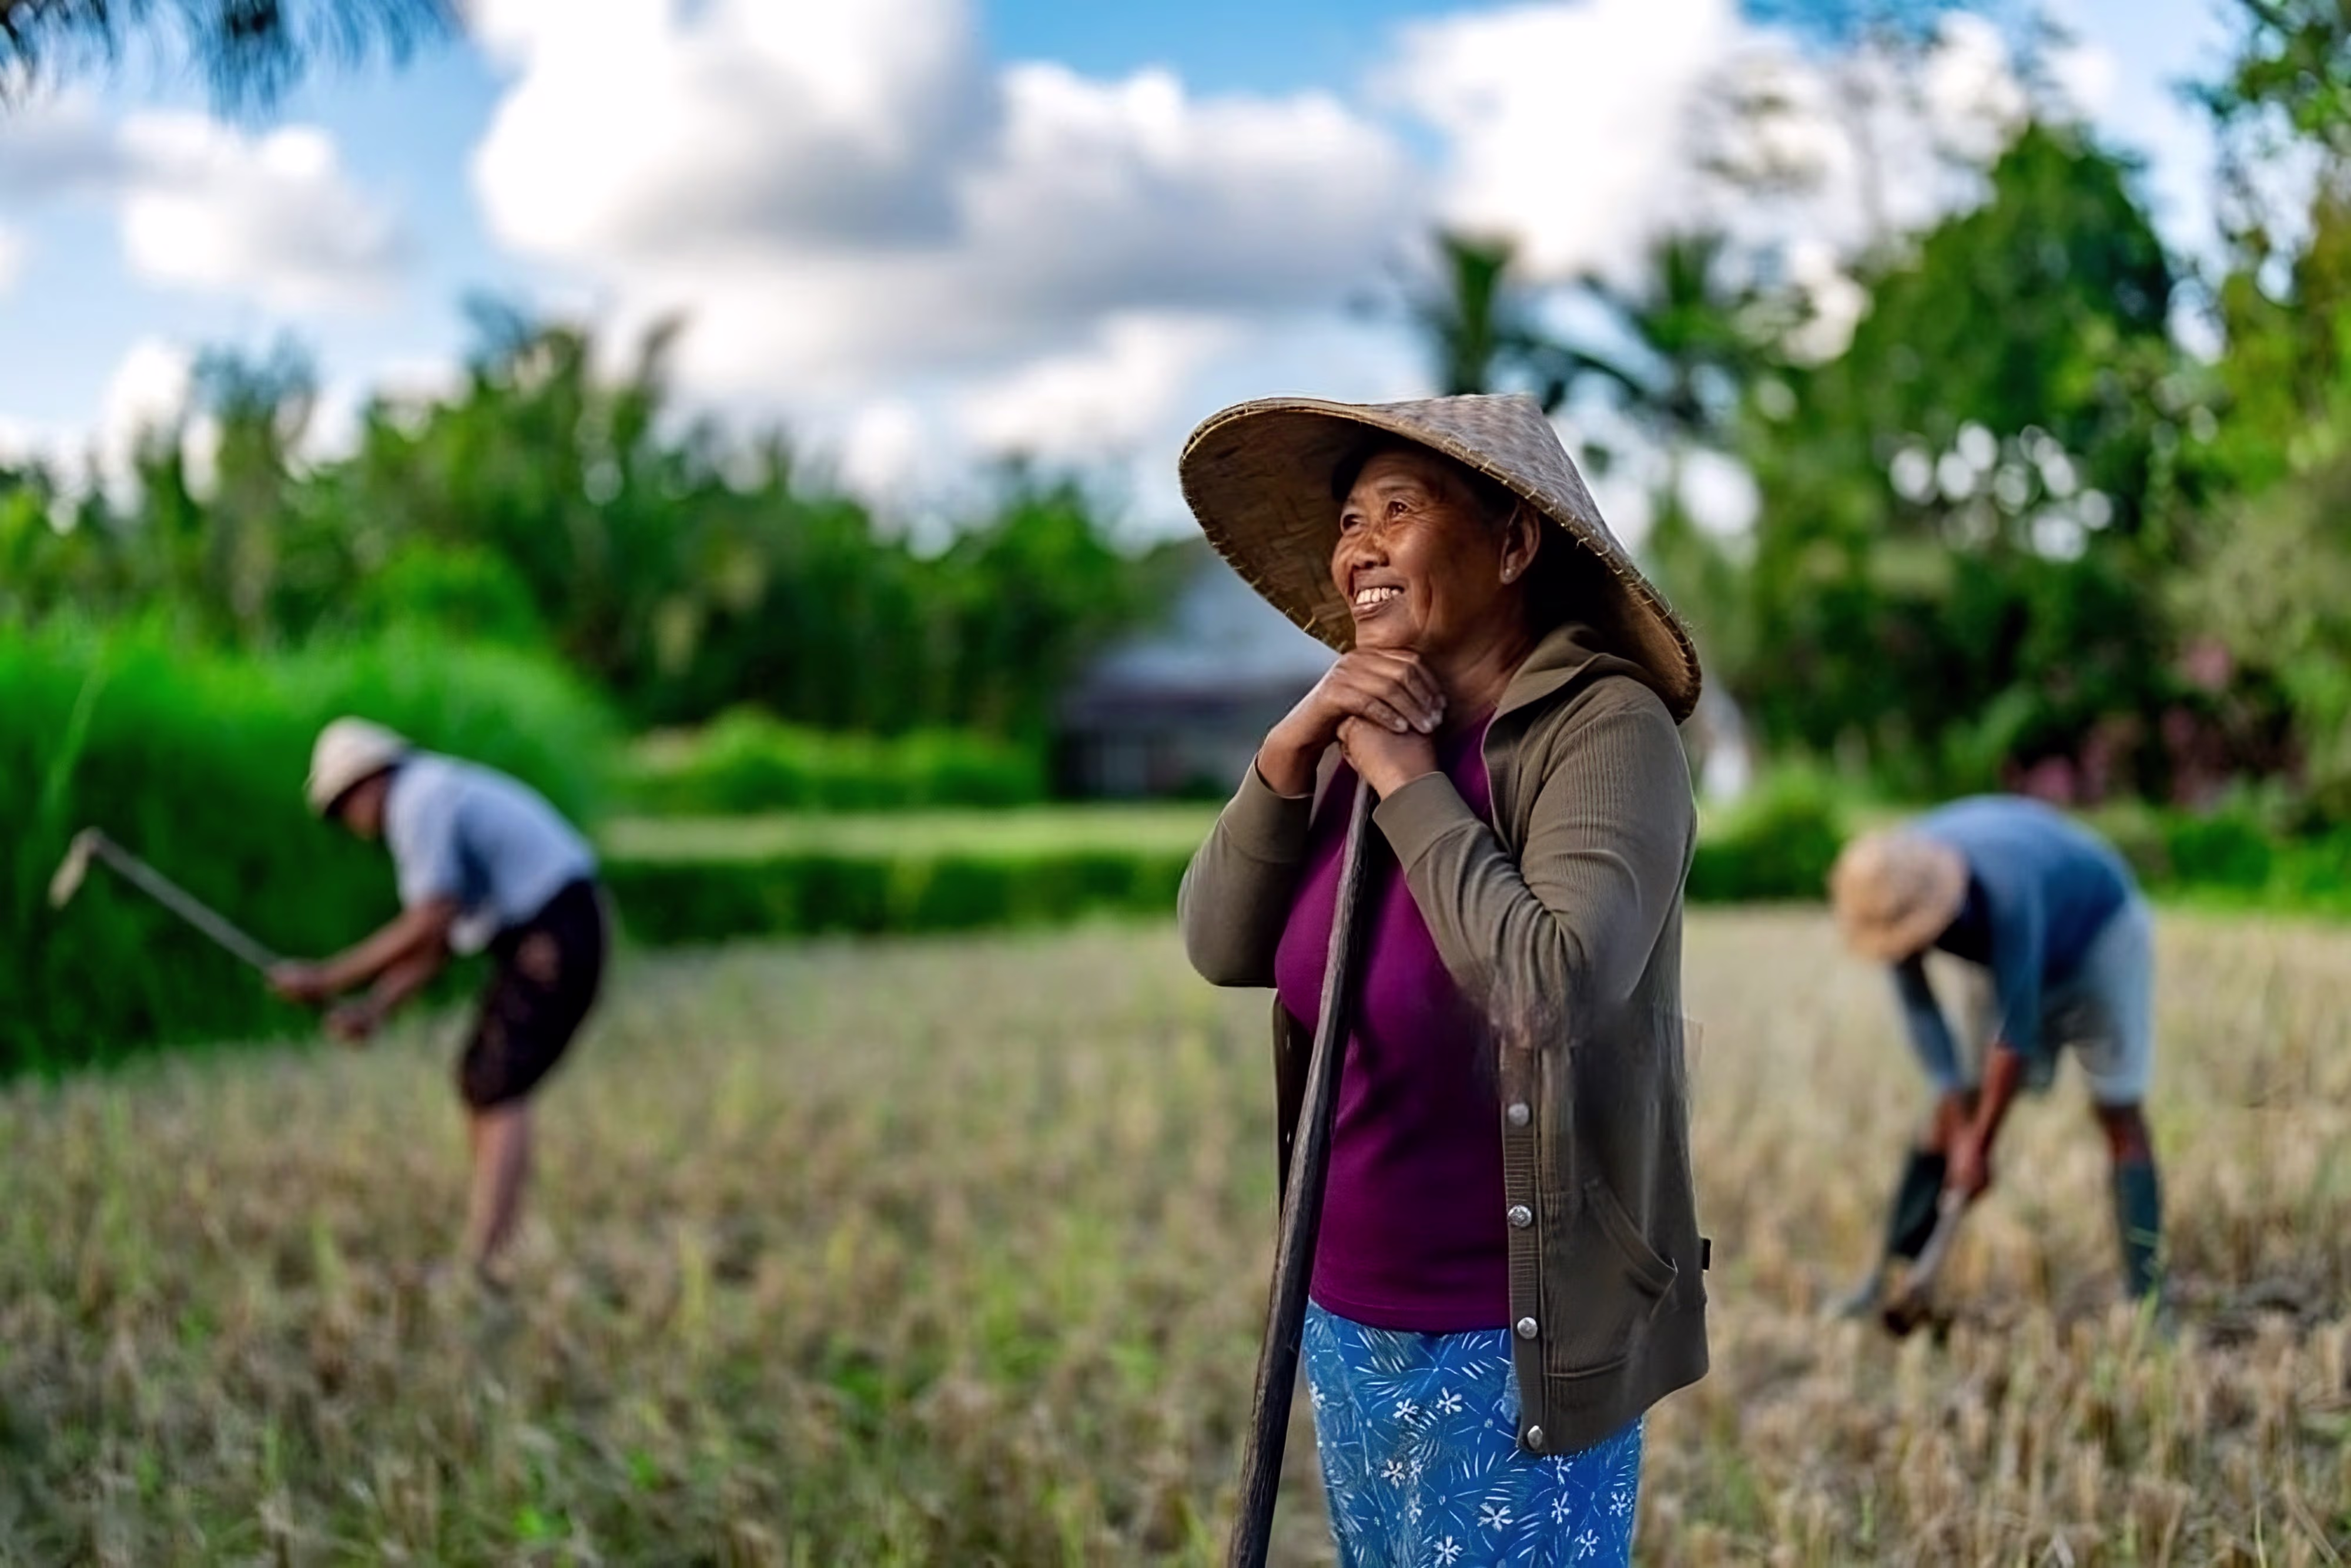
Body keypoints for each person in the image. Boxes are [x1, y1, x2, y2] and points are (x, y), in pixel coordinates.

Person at [1177, 393, 1708, 1567]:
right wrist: (1287, 753)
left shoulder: (1602, 730)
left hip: (1509, 1329)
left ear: (1513, 543)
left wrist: (1411, 781)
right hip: (1346, 1304)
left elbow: (1550, 994)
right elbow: (1219, 942)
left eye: (1397, 511)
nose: (1356, 544)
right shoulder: (1357, 736)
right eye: (1347, 518)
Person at [268, 718, 608, 1288]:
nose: (348, 824)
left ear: (366, 782)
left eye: (341, 808)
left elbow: (430, 918)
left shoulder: (417, 800)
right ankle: (501, 1241)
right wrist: (376, 1008)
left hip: (555, 932)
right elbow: (440, 940)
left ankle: (484, 1257)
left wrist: (329, 978)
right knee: (481, 1079)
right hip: (550, 927)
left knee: (499, 1083)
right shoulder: (433, 792)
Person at [1827, 796, 2163, 1317]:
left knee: (2119, 1111)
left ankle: (2149, 1303)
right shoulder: (1888, 889)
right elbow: (1924, 1018)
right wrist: (1960, 1123)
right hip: (2016, 951)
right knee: (1947, 1115)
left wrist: (1980, 1145)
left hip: (2100, 934)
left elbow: (2016, 1031)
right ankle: (1891, 1279)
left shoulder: (2006, 888)